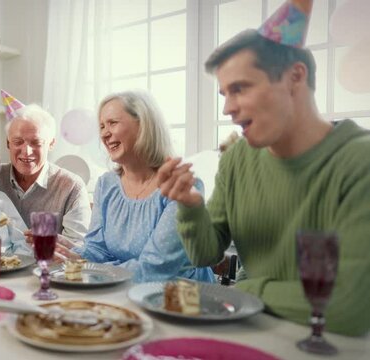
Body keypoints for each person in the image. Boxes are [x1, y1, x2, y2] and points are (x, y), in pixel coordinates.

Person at [156, 29, 370, 336]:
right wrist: (190, 207)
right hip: (250, 333)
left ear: (295, 77)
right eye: (225, 94)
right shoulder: (236, 160)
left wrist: (246, 290)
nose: (227, 108)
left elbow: (350, 308)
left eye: (240, 89)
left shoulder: (360, 160)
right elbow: (204, 254)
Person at [58, 91, 215, 283]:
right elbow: (97, 248)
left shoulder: (181, 185)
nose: (105, 134)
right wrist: (72, 255)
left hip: (179, 298)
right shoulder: (106, 184)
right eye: (101, 126)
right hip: (124, 290)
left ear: (143, 125)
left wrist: (92, 268)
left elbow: (156, 265)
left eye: (112, 123)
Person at [0, 104, 92, 248]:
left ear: (51, 144)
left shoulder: (72, 186)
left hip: (49, 268)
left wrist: (51, 243)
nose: (26, 151)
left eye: (36, 142)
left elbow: (77, 248)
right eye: (18, 142)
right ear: (8, 143)